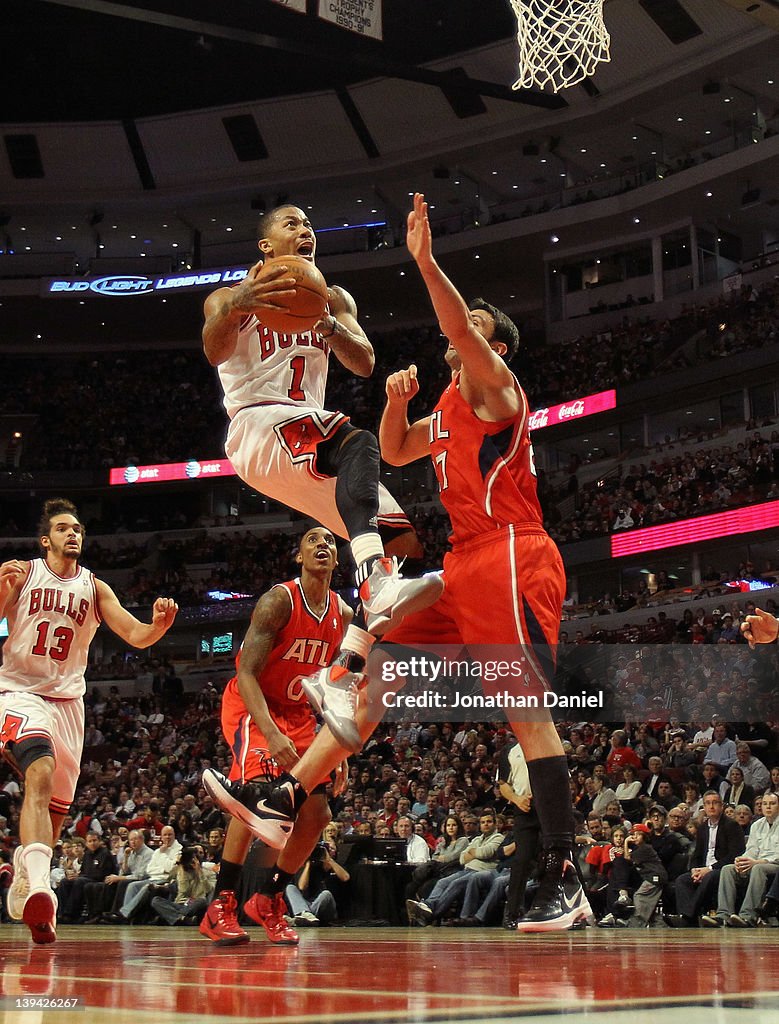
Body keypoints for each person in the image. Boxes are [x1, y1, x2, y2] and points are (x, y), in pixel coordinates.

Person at [203, 193, 587, 932]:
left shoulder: (494, 384)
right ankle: (285, 791)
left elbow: (422, 336)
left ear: (494, 347)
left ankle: (563, 872)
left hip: (511, 553)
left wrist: (423, 259)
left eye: (475, 326)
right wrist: (394, 402)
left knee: (522, 711)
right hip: (464, 555)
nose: (461, 329)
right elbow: (399, 445)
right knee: (378, 664)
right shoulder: (446, 404)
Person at [201, 203, 432, 744]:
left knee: (404, 549)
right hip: (259, 424)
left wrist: (325, 320)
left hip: (306, 435)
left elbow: (365, 361)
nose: (305, 230)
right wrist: (236, 307)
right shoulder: (230, 295)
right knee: (357, 440)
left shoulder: (333, 297)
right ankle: (372, 580)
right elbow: (214, 350)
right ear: (266, 246)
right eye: (292, 224)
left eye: (309, 224)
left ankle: (338, 675)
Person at [0, 498, 178, 944]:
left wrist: (158, 625)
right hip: (19, 692)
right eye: (63, 529)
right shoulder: (21, 573)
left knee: (55, 813)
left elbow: (136, 635)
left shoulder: (96, 589)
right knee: (37, 773)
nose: (73, 534)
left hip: (69, 704)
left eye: (78, 528)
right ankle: (42, 887)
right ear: (46, 539)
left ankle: (29, 870)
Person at [199, 527, 353, 947]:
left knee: (317, 816)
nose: (322, 544)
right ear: (298, 555)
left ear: (338, 560)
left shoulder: (344, 614)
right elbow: (245, 673)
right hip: (255, 704)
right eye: (312, 540)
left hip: (301, 713)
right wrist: (269, 731)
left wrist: (334, 745)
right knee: (258, 795)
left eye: (329, 542)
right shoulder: (278, 601)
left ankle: (267, 899)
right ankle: (221, 903)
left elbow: (331, 684)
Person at [667, 790, 745, 928]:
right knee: (682, 880)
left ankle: (687, 916)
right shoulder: (702, 828)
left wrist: (709, 869)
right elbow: (697, 854)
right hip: (704, 869)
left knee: (710, 877)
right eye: (708, 803)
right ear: (704, 807)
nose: (711, 806)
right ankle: (689, 920)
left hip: (722, 869)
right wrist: (695, 870)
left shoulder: (731, 825)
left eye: (715, 803)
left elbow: (735, 854)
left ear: (722, 806)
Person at [702, 790, 779, 926]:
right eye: (765, 804)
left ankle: (747, 915)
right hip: (755, 862)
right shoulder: (756, 825)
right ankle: (723, 915)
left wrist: (756, 862)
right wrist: (741, 860)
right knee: (728, 869)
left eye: (772, 804)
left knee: (758, 869)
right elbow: (751, 849)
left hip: (773, 865)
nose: (767, 807)